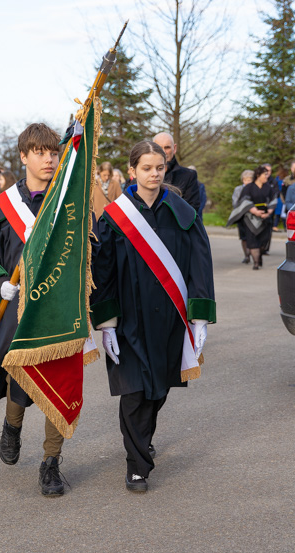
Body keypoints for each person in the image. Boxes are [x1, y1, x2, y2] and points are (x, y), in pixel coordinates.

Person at [91, 140, 215, 492]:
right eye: (146, 168)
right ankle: (136, 464)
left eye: (159, 167)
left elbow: (199, 263)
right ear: (132, 171)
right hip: (129, 319)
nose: (154, 174)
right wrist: (107, 324)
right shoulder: (116, 216)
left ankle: (141, 439)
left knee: (158, 390)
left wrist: (199, 315)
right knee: (134, 390)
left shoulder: (182, 211)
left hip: (168, 318)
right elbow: (104, 271)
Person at [0, 122, 69, 497]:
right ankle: (12, 425)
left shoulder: (68, 203)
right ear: (23, 156)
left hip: (61, 308)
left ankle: (51, 462)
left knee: (59, 380)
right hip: (18, 308)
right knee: (20, 378)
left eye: (53, 152)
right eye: (40, 152)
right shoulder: (2, 206)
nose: (48, 159)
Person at [229, 165, 276, 270]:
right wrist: (254, 211)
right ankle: (255, 263)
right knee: (253, 240)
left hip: (265, 218)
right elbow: (244, 200)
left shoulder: (268, 187)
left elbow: (273, 200)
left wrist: (268, 212)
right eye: (265, 175)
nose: (267, 177)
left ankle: (259, 256)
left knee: (264, 241)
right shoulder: (248, 188)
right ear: (258, 175)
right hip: (250, 218)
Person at [152, 133, 200, 213]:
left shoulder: (189, 176)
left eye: (167, 147)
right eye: (159, 148)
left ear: (174, 148)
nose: (163, 152)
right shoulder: (142, 176)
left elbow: (192, 209)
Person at [232, 170, 255, 264]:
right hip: (241, 216)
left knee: (253, 237)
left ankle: (254, 255)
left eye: (249, 180)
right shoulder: (238, 189)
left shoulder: (255, 188)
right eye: (245, 180)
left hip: (253, 217)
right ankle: (246, 255)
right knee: (244, 237)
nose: (247, 182)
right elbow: (235, 202)